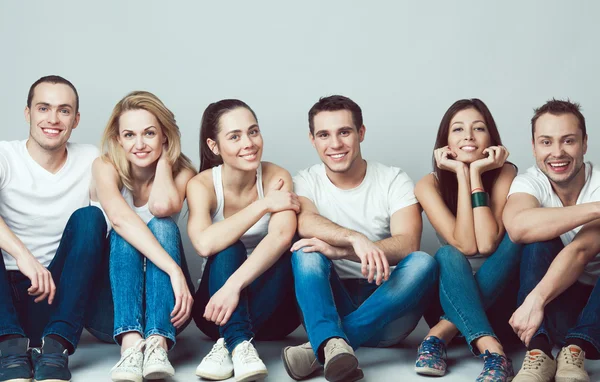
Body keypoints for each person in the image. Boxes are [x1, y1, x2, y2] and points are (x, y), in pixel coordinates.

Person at [281, 95, 438, 382]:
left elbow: (408, 243)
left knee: (423, 263)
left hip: (388, 305)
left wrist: (342, 251)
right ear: (312, 140)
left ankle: (323, 347)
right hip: (329, 302)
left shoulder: (393, 179)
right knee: (305, 252)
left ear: (361, 133)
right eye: (324, 135)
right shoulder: (305, 179)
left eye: (344, 132)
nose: (335, 144)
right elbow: (305, 222)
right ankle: (333, 346)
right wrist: (354, 238)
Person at [0, 75, 111, 382]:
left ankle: (57, 347)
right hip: (4, 296)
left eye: (63, 110)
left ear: (75, 120)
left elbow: (117, 220)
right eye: (43, 108)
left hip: (58, 297)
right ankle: (9, 348)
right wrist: (23, 256)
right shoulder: (5, 156)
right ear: (28, 114)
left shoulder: (90, 158)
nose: (52, 119)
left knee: (91, 219)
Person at [188, 99, 300, 382]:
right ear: (214, 146)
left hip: (276, 313)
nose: (248, 143)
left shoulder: (276, 175)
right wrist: (263, 205)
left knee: (295, 250)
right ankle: (239, 343)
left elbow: (282, 236)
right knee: (228, 248)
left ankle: (230, 344)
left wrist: (233, 286)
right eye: (234, 136)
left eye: (253, 131)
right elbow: (204, 244)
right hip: (215, 312)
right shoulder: (201, 184)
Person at [91, 91, 196, 382]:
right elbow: (121, 220)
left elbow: (162, 206)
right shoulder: (104, 166)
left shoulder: (183, 173)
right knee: (126, 228)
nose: (139, 144)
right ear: (118, 139)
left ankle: (158, 346)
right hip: (111, 311)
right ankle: (130, 344)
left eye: (149, 133)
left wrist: (165, 162)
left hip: (169, 311)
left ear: (165, 135)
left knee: (162, 225)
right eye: (129, 135)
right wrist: (174, 270)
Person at [414, 99, 520, 381]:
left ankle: (439, 335)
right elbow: (465, 246)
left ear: (491, 138)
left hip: (500, 307)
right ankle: (494, 352)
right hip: (447, 298)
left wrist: (475, 174)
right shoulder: (428, 185)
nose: (469, 137)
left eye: (479, 128)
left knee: (518, 238)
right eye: (458, 129)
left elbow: (486, 244)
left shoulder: (505, 172)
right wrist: (461, 174)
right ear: (445, 141)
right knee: (448, 256)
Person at [504, 99, 600, 382]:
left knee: (544, 226)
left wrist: (535, 298)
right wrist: (597, 208)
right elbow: (518, 228)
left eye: (568, 140)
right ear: (534, 147)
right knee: (537, 238)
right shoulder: (529, 182)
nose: (557, 152)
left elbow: (582, 250)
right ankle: (539, 352)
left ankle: (575, 350)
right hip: (556, 307)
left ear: (584, 143)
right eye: (546, 142)